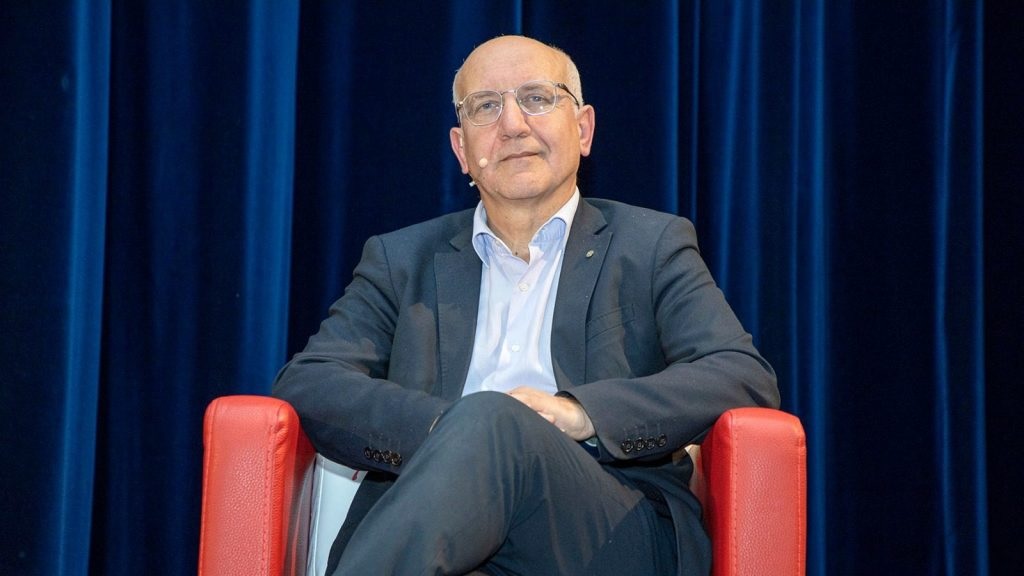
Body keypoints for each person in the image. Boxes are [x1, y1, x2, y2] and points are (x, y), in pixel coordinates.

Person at [273, 35, 779, 576]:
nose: (513, 124)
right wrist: (452, 431)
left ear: (583, 129)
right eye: (485, 106)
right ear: (461, 149)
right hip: (437, 536)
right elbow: (310, 382)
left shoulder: (650, 246)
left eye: (537, 98)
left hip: (605, 529)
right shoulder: (401, 261)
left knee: (495, 419)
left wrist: (582, 413)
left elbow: (740, 376)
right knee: (486, 419)